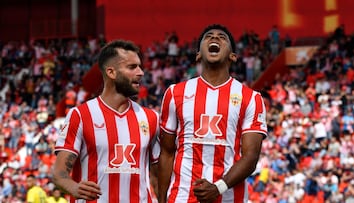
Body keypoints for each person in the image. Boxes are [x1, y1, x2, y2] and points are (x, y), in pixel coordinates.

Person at [158, 24, 268, 203]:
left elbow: (251, 156)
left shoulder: (251, 98)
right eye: (208, 36)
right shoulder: (174, 93)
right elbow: (166, 152)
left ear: (233, 56)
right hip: (182, 197)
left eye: (222, 37)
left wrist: (219, 187)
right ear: (198, 54)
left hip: (229, 197)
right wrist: (162, 200)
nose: (214, 38)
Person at [52, 40, 160, 202]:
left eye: (140, 66)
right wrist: (74, 187)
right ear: (111, 72)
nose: (141, 72)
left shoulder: (151, 118)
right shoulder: (81, 115)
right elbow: (59, 174)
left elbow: (157, 176)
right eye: (132, 67)